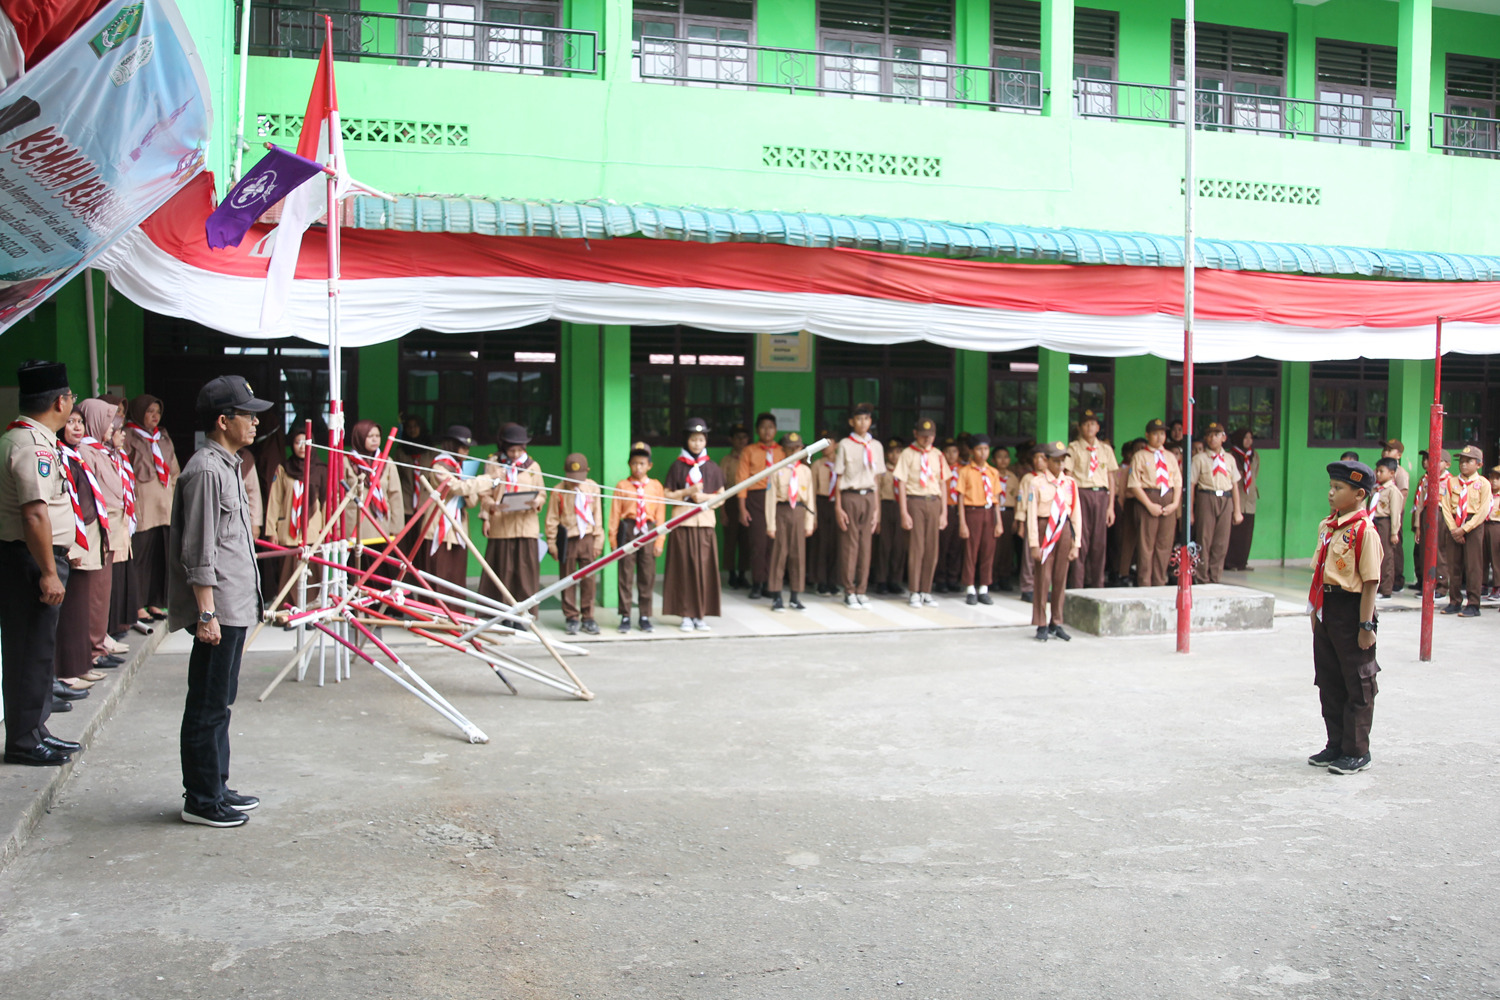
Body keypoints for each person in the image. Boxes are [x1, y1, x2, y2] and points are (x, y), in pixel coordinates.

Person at [169, 375, 274, 826]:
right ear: (222, 420)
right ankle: (201, 800)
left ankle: (217, 786)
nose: (254, 421)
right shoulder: (207, 470)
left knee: (221, 702)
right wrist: (206, 613)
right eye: (247, 414)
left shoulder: (229, 463)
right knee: (208, 705)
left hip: (234, 605)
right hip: (219, 609)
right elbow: (199, 551)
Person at [0, 362, 82, 766]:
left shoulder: (35, 440)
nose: (72, 403)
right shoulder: (30, 446)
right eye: (71, 397)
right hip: (29, 561)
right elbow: (34, 515)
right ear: (58, 401)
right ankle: (23, 740)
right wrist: (49, 571)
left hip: (35, 557)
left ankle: (35, 728)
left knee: (37, 648)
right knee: (28, 650)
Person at [1307, 460, 1383, 775]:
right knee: (1329, 681)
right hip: (1327, 611)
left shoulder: (1365, 530)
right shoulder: (1328, 526)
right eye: (1331, 486)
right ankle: (1335, 744)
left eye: (1338, 488)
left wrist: (1366, 626)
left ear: (1359, 494)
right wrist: (1314, 613)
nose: (1331, 493)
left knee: (1358, 683)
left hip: (1352, 612)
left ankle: (1356, 751)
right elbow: (1319, 573)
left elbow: (1370, 582)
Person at [53, 408, 109, 694]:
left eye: (79, 422)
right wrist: (73, 542)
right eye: (71, 421)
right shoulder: (58, 454)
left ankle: (80, 665)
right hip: (73, 540)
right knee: (71, 607)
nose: (76, 427)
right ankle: (67, 671)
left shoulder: (77, 455)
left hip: (88, 536)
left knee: (81, 605)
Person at [663, 417, 723, 631]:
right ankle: (685, 614)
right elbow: (666, 494)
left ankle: (701, 615)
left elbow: (721, 496)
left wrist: (704, 498)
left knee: (704, 570)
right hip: (682, 524)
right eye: (693, 439)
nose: (697, 444)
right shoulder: (677, 466)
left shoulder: (713, 467)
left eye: (700, 439)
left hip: (705, 525)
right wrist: (687, 493)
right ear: (686, 441)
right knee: (684, 571)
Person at [124, 394, 178, 624]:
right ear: (138, 412)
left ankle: (157, 601)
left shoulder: (163, 437)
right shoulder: (128, 436)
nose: (154, 416)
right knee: (141, 557)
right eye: (149, 412)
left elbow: (174, 469)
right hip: (143, 507)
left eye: (157, 411)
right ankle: (137, 604)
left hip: (165, 506)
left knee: (162, 556)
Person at [480, 423, 544, 605]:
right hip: (502, 525)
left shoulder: (533, 466)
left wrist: (536, 502)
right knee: (502, 573)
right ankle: (502, 614)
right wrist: (491, 508)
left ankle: (524, 614)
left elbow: (542, 493)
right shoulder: (494, 464)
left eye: (519, 450)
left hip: (526, 526)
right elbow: (484, 493)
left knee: (525, 574)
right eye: (511, 450)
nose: (515, 455)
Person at [263, 428, 327, 598]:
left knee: (312, 571)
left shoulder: (321, 469)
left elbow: (326, 502)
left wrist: (327, 530)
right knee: (288, 572)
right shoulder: (283, 468)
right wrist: (271, 531)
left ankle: (310, 611)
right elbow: (275, 500)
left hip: (314, 531)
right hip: (289, 531)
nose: (302, 446)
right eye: (297, 442)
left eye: (306, 442)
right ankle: (287, 610)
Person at [609, 442, 665, 634]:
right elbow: (615, 513)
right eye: (634, 463)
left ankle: (644, 616)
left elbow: (661, 515)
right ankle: (625, 615)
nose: (638, 467)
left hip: (648, 530)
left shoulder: (656, 486)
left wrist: (659, 541)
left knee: (647, 575)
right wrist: (613, 541)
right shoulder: (622, 485)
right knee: (625, 575)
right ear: (629, 464)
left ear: (649, 465)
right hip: (628, 528)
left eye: (642, 463)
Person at [894, 418, 950, 608]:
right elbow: (901, 483)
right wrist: (904, 512)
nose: (927, 439)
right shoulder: (907, 454)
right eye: (924, 435)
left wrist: (944, 513)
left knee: (932, 549)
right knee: (916, 548)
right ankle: (914, 590)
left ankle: (926, 590)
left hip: (933, 502)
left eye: (931, 436)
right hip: (915, 501)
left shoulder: (938, 455)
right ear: (915, 434)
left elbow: (943, 483)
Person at [1028, 442, 1081, 642]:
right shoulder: (1037, 482)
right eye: (1056, 460)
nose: (1060, 465)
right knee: (1044, 577)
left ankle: (1056, 621)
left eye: (1062, 461)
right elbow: (1032, 515)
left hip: (1064, 529)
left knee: (1061, 576)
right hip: (1044, 529)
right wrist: (1034, 543)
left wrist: (1077, 544)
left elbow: (1076, 514)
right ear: (1046, 460)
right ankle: (1041, 622)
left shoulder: (1069, 483)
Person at [546, 453, 604, 635]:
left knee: (589, 580)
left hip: (587, 538)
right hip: (568, 539)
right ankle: (571, 616)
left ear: (587, 472)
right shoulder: (558, 491)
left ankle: (588, 616)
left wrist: (598, 541)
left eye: (579, 478)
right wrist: (552, 543)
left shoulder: (593, 488)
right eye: (572, 479)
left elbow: (597, 516)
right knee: (567, 579)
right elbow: (552, 519)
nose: (575, 483)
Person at [833, 403, 880, 609]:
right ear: (852, 422)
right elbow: (838, 476)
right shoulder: (845, 444)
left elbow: (876, 478)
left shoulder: (876, 446)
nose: (863, 423)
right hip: (850, 496)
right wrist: (838, 506)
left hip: (869, 496)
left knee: (866, 546)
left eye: (867, 419)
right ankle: (849, 590)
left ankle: (862, 590)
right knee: (850, 545)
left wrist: (877, 508)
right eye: (859, 419)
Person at [1064, 410, 1117, 590]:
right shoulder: (1073, 448)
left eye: (1093, 423)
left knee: (1099, 542)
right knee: (1080, 539)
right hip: (1081, 494)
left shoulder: (1106, 449)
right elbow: (1068, 476)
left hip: (1101, 495)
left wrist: (1111, 507)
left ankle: (1097, 585)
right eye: (1086, 424)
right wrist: (1069, 503)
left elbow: (1111, 478)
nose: (1089, 427)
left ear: (1098, 427)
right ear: (1080, 427)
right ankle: (1078, 585)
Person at [764, 430, 816, 612]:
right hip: (782, 511)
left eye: (798, 448)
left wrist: (809, 523)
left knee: (798, 555)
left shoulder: (805, 471)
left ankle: (795, 595)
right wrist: (771, 524)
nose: (794, 451)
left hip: (799, 512)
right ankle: (777, 596)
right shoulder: (776, 470)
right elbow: (770, 499)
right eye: (790, 448)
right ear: (783, 450)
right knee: (780, 554)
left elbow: (810, 498)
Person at [1128, 419, 1182, 588]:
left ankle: (1159, 581)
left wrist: (1174, 504)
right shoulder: (1140, 456)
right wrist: (1149, 505)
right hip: (1148, 498)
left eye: (1162, 434)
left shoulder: (1170, 457)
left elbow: (1178, 482)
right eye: (1155, 434)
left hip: (1168, 500)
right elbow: (1134, 484)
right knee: (1146, 544)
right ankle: (1144, 582)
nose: (1159, 438)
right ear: (1147, 435)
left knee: (1164, 544)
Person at [1440, 444, 1492, 617]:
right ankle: (1454, 601)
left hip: (1473, 525)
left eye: (1468, 461)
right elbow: (1446, 507)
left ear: (1479, 464)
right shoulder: (1452, 482)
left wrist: (1465, 529)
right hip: (1454, 523)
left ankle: (1473, 603)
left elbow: (1484, 509)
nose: (1463, 464)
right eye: (1461, 461)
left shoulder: (1483, 483)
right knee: (1453, 565)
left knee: (1473, 566)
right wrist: (1454, 529)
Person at [736, 412, 783, 599]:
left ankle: (771, 584)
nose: (767, 431)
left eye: (770, 427)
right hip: (756, 498)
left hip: (778, 499)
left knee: (774, 543)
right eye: (763, 427)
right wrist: (742, 508)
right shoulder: (749, 450)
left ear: (776, 430)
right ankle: (757, 583)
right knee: (758, 543)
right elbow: (742, 480)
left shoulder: (782, 451)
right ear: (757, 430)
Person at [1190, 422, 1244, 584]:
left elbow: (1234, 485)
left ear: (1223, 438)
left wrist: (1237, 510)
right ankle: (1201, 576)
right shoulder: (1199, 459)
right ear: (1206, 438)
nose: (1213, 438)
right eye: (1210, 435)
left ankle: (1215, 576)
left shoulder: (1229, 459)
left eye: (1217, 434)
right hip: (1206, 497)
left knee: (1221, 540)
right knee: (1204, 538)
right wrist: (1190, 511)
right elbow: (1192, 484)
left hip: (1226, 499)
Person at [104, 409, 141, 641]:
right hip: (111, 524)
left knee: (121, 575)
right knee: (110, 580)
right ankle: (106, 631)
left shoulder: (119, 455)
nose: (122, 435)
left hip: (123, 522)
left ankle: (118, 624)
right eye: (117, 431)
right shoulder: (98, 455)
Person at [957, 434, 1003, 605]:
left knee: (988, 551)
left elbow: (997, 499)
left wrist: (999, 522)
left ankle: (984, 587)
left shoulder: (993, 472)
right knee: (971, 551)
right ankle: (970, 587)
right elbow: (960, 499)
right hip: (972, 512)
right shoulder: (965, 472)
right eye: (979, 449)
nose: (983, 453)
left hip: (989, 512)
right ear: (971, 451)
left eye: (985, 449)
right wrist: (962, 522)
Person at [1411, 449, 1450, 599]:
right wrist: (1418, 526)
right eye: (1426, 459)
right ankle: (1427, 583)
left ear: (1446, 464)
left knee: (1439, 551)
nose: (1429, 463)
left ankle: (1441, 586)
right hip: (1426, 515)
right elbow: (1420, 504)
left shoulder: (1450, 481)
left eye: (1435, 459)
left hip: (1441, 516)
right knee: (1424, 551)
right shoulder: (1426, 480)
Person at [872, 438, 907, 595]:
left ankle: (895, 580)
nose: (895, 455)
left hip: (901, 508)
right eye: (891, 452)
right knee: (884, 546)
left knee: (899, 546)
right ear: (886, 454)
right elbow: (877, 493)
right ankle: (881, 580)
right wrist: (877, 516)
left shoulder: (905, 471)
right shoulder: (882, 472)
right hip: (885, 507)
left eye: (898, 452)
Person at [719, 423, 749, 588]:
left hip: (747, 501)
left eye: (744, 437)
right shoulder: (726, 460)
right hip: (730, 501)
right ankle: (731, 574)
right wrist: (723, 512)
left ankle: (744, 574)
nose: (741, 441)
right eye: (738, 437)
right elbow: (721, 487)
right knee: (730, 539)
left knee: (746, 539)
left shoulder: (750, 457)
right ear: (731, 440)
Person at [810, 431, 840, 596]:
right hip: (821, 503)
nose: (826, 447)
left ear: (836, 445)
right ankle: (821, 581)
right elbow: (812, 491)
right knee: (821, 543)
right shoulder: (817, 465)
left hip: (838, 504)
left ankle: (833, 581)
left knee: (836, 543)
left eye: (829, 442)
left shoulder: (842, 464)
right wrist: (813, 514)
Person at [1225, 428, 1259, 572]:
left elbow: (1255, 473)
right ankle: (1230, 562)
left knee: (1247, 531)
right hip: (1236, 496)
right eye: (1245, 437)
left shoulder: (1254, 455)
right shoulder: (1230, 455)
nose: (1248, 441)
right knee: (1234, 531)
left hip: (1249, 498)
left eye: (1250, 438)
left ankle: (1242, 562)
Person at [1014, 446, 1043, 602]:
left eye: (1043, 458)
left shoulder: (1052, 479)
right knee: (1029, 555)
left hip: (1048, 521)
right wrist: (1020, 524)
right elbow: (1022, 502)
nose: (1039, 461)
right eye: (1036, 457)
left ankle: (1043, 587)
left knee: (1046, 555)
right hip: (1031, 520)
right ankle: (1027, 587)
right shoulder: (1028, 478)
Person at [1112, 438, 1142, 586]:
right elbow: (1122, 492)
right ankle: (1122, 572)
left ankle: (1140, 571)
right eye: (1136, 449)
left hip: (1146, 504)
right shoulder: (1125, 469)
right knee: (1126, 539)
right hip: (1130, 503)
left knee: (1145, 542)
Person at [1381, 439, 1410, 590]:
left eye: (1389, 450)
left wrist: (1396, 517)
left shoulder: (1400, 473)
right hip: (1381, 515)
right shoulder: (1380, 470)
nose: (1385, 452)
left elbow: (1403, 495)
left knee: (1394, 547)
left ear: (1398, 455)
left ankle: (1397, 579)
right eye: (1384, 449)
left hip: (1393, 514)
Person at [935, 437, 963, 593]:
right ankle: (940, 579)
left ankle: (953, 578)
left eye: (954, 451)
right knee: (943, 545)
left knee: (956, 546)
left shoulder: (963, 470)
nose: (951, 455)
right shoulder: (939, 470)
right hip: (945, 509)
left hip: (959, 510)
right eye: (947, 452)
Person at [990, 444, 1020, 592]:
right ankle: (992, 578)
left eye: (1006, 457)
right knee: (994, 548)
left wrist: (1015, 519)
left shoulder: (1013, 477)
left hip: (1008, 513)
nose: (1003, 460)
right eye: (999, 457)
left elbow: (1016, 499)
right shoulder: (990, 474)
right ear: (993, 460)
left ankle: (1004, 577)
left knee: (1007, 548)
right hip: (994, 512)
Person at [1372, 458, 1402, 600]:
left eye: (1381, 471)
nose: (1378, 474)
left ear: (1391, 473)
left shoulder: (1393, 491)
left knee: (1386, 556)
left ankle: (1386, 589)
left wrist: (1394, 532)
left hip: (1385, 523)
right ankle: (1375, 586)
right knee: (1374, 555)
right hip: (1374, 522)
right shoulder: (1376, 488)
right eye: (1377, 471)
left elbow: (1395, 513)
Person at [1486, 464, 1500, 599]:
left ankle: (1497, 586)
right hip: (1486, 524)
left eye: (1498, 478)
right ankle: (1483, 585)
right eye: (1492, 478)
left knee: (1496, 558)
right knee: (1484, 557)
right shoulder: (1487, 494)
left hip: (1497, 525)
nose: (1494, 481)